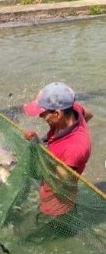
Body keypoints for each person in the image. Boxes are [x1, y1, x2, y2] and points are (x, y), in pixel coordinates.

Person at [23, 82, 92, 217]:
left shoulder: (74, 148)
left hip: (57, 203)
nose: (40, 116)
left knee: (50, 230)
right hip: (56, 187)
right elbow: (89, 114)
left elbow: (61, 182)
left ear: (57, 114)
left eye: (43, 113)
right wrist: (43, 140)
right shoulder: (73, 109)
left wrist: (38, 150)